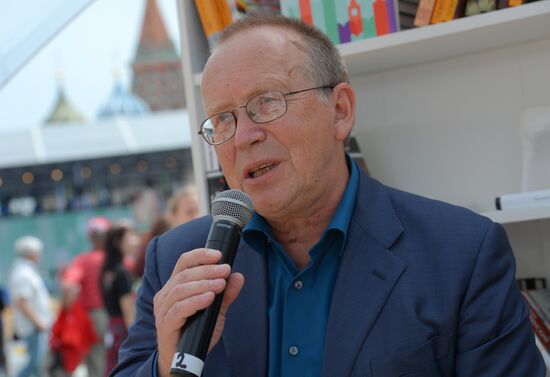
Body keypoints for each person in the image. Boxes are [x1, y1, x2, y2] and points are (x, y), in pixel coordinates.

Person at [111, 15, 545, 377]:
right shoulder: (176, 259)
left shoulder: (462, 254)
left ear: (340, 112)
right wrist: (164, 366)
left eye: (266, 102)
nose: (243, 136)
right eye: (221, 120)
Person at [61, 216, 111, 377]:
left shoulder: (82, 260)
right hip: (112, 315)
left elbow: (68, 286)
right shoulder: (114, 260)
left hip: (88, 317)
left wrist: (67, 310)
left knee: (93, 360)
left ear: (90, 237)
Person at [8, 236, 53, 377]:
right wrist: (38, 323)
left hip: (35, 326)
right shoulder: (23, 273)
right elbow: (22, 302)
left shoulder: (26, 271)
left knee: (37, 366)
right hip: (33, 327)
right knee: (34, 365)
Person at [100, 224, 138, 376]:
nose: (135, 241)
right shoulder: (122, 273)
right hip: (123, 332)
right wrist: (136, 339)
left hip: (112, 329)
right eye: (130, 237)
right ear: (117, 242)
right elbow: (129, 312)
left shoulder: (107, 271)